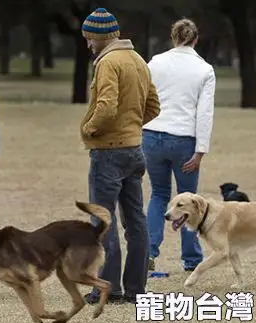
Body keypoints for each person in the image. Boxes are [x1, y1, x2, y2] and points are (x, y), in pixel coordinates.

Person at [79, 8, 161, 305]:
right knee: (136, 221)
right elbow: (153, 106)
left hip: (108, 152)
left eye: (89, 38)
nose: (88, 44)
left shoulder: (108, 62)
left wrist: (89, 129)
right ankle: (136, 289)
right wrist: (132, 127)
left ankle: (108, 288)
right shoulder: (137, 60)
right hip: (134, 150)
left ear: (100, 37)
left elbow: (107, 105)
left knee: (103, 219)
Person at [143, 18, 215, 272]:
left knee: (159, 194)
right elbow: (204, 113)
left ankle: (148, 252)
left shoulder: (155, 62)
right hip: (184, 139)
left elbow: (144, 97)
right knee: (190, 203)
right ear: (195, 39)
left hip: (151, 135)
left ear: (173, 37)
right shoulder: (204, 69)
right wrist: (200, 150)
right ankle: (192, 259)